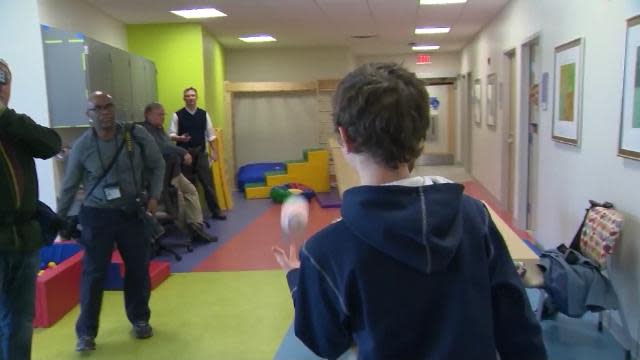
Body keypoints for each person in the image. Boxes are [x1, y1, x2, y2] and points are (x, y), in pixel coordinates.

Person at [272, 63, 547, 360]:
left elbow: (325, 341)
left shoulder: (325, 250)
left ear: (345, 138)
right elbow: (516, 324)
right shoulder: (474, 217)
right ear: (420, 136)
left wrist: (298, 281)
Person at [57, 91, 165, 352]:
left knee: (138, 269)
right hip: (97, 216)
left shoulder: (135, 135)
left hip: (131, 213)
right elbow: (69, 186)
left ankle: (140, 319)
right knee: (93, 275)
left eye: (108, 106)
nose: (105, 112)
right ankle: (86, 334)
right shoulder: (83, 146)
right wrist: (59, 222)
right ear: (89, 114)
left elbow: (158, 164)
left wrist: (154, 196)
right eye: (98, 108)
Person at [0, 59, 62, 360]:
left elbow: (50, 144)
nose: (0, 88)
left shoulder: (15, 125)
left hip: (25, 241)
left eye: (4, 81)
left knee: (21, 319)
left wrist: (5, 117)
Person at [140, 102, 216, 243]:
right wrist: (183, 151)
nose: (162, 117)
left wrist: (179, 142)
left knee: (192, 191)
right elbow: (161, 147)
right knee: (178, 202)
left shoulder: (158, 129)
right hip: (161, 176)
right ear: (148, 114)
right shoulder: (144, 131)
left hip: (173, 171)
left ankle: (196, 226)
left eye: (163, 114)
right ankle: (190, 232)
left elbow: (167, 143)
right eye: (159, 114)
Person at [169, 87, 226, 221]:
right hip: (184, 156)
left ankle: (215, 211)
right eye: (187, 96)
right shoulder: (177, 115)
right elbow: (171, 135)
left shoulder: (204, 114)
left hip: (200, 153)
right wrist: (180, 138)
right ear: (184, 99)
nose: (190, 98)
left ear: (196, 97)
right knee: (187, 185)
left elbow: (210, 135)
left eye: (193, 95)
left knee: (207, 184)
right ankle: (190, 216)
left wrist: (213, 152)